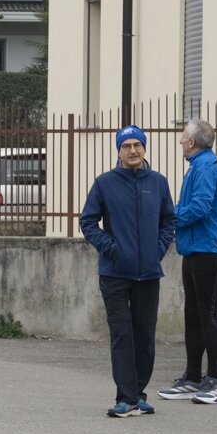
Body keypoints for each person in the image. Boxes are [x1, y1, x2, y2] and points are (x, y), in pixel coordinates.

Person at [80, 124, 177, 418]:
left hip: (148, 273)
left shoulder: (158, 182)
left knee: (144, 335)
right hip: (115, 273)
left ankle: (139, 393)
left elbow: (169, 221)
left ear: (144, 148)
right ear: (118, 151)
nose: (132, 151)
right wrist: (111, 248)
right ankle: (126, 397)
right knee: (122, 334)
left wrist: (158, 249)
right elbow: (87, 222)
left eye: (137, 145)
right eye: (126, 146)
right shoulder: (104, 183)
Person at [156, 119, 217, 404]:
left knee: (208, 314)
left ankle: (215, 380)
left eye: (183, 137)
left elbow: (200, 206)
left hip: (207, 249)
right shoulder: (199, 165)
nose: (180, 141)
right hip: (195, 248)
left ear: (192, 142)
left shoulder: (205, 167)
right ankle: (192, 376)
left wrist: (170, 215)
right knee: (193, 314)